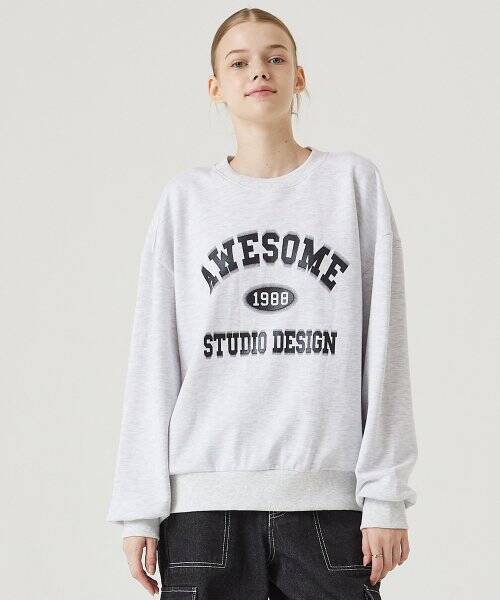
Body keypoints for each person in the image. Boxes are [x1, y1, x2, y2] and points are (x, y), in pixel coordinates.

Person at [106, 7, 418, 600]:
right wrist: (139, 509)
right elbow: (154, 356)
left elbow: (385, 346)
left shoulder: (351, 185)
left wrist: (385, 494)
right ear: (215, 87)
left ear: (299, 76)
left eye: (276, 57)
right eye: (239, 61)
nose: (259, 71)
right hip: (203, 511)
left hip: (329, 507)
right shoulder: (186, 201)